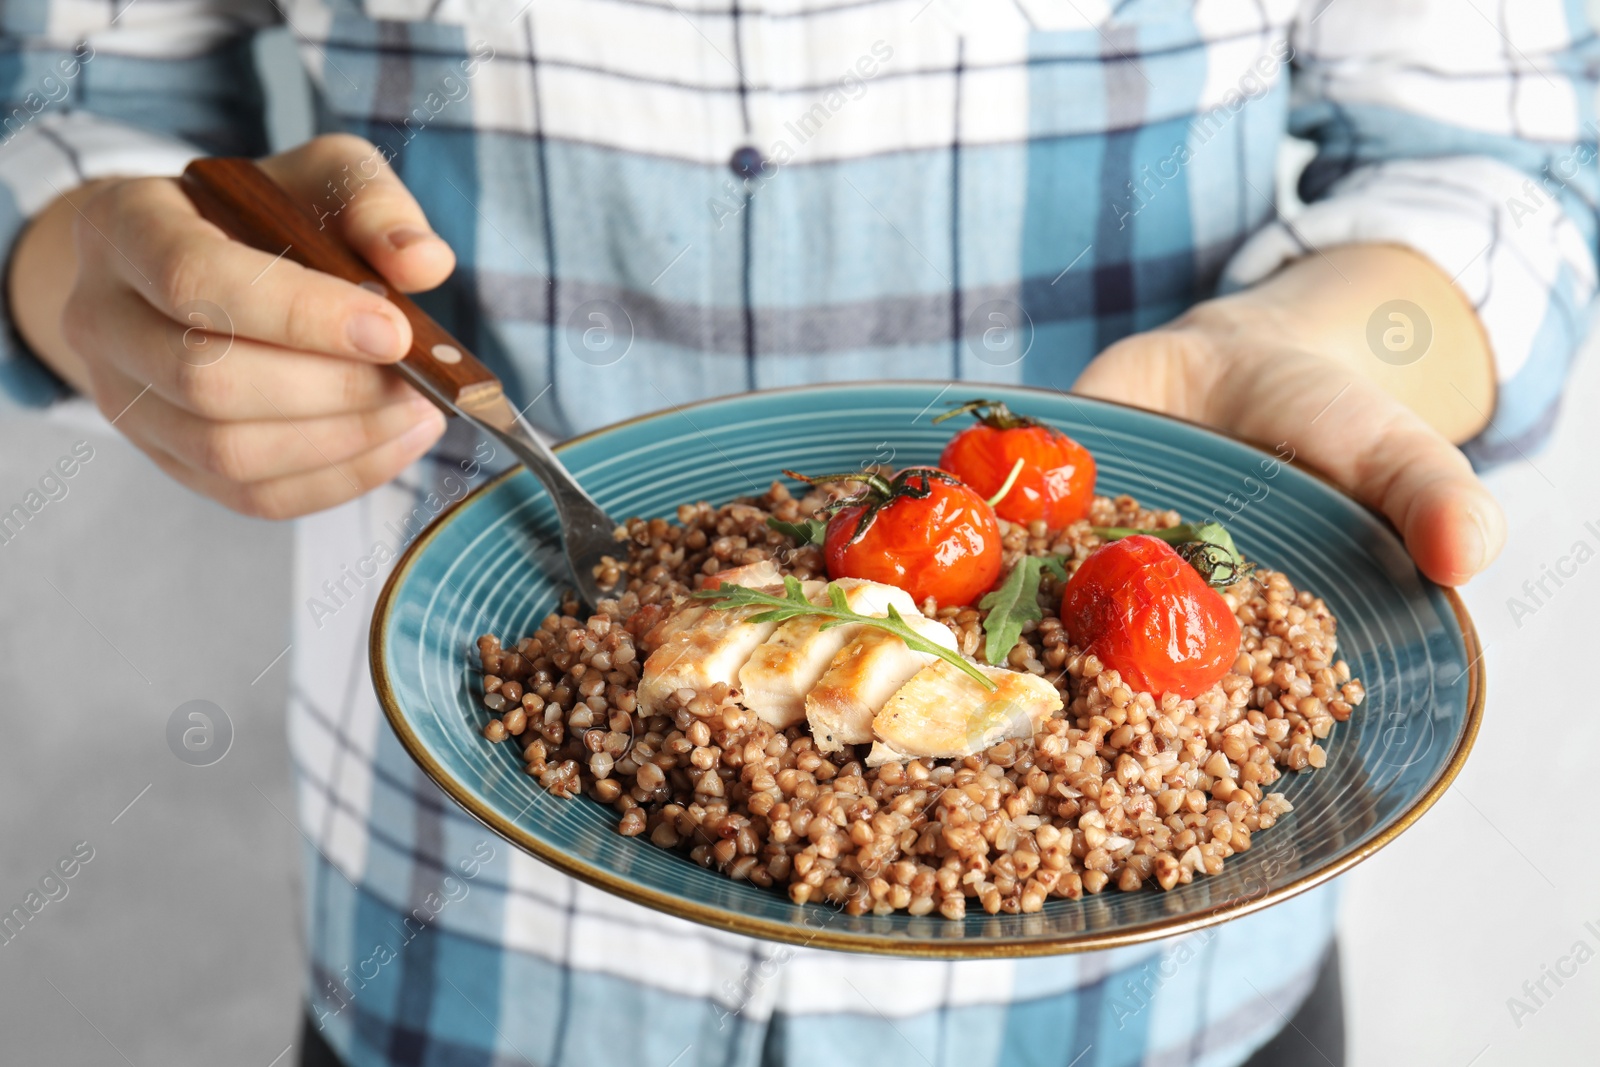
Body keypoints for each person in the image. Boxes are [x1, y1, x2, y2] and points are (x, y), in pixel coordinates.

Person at [1, 1, 1590, 1064]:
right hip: (468, 945)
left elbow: (1499, 166)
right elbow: (78, 114)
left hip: (1158, 1007)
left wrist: (1329, 336)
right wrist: (109, 291)